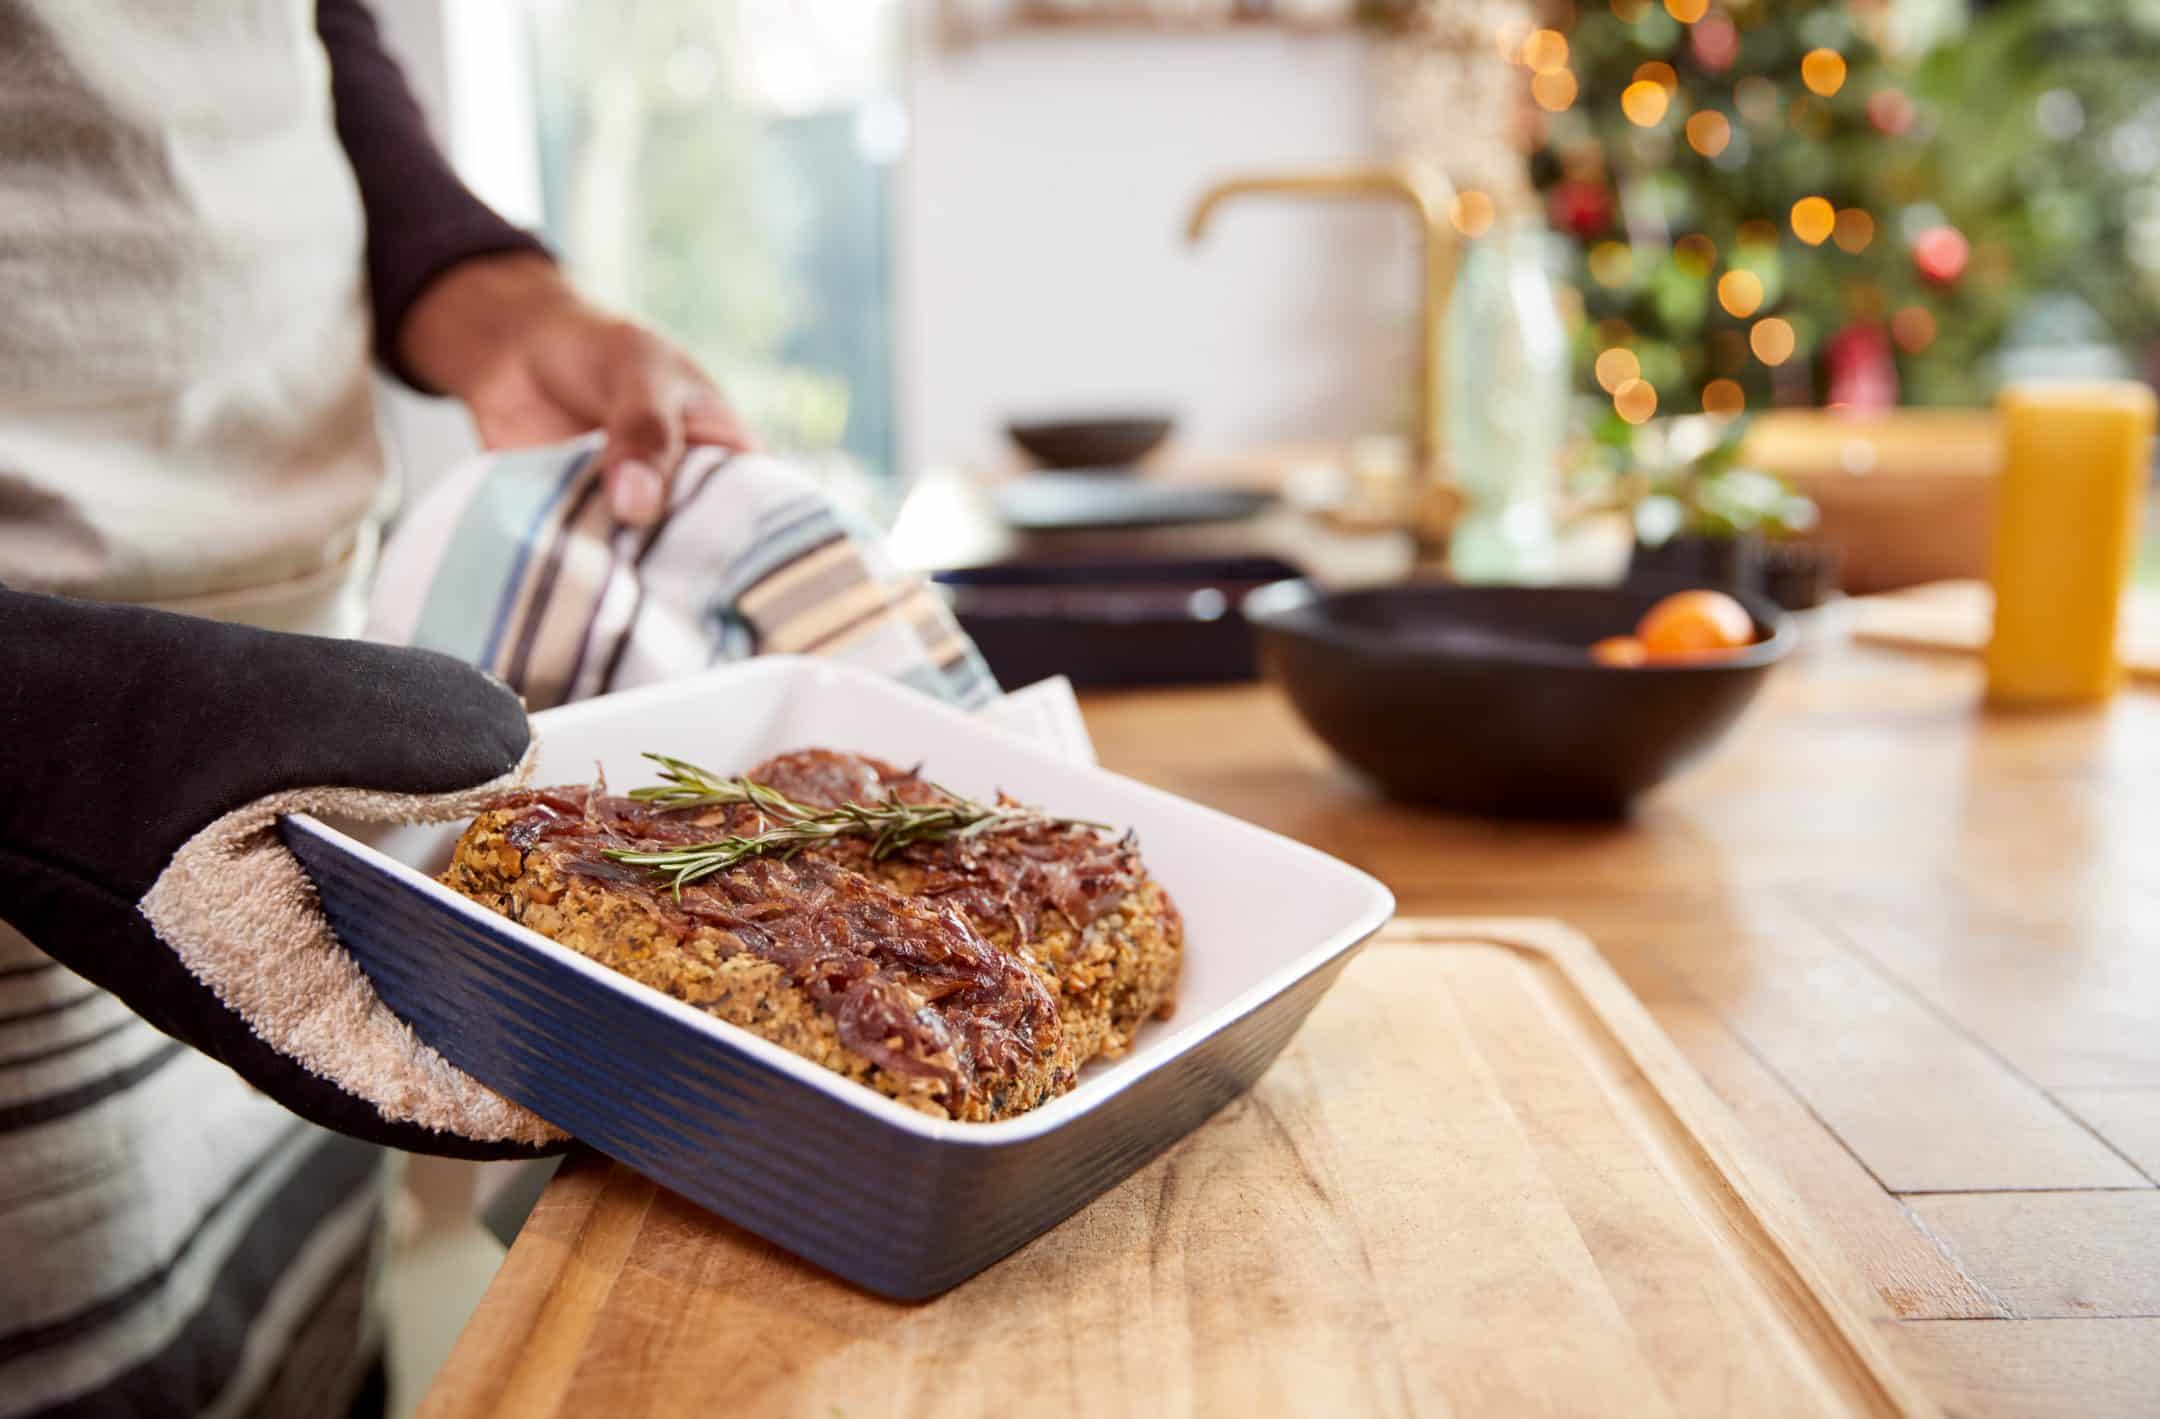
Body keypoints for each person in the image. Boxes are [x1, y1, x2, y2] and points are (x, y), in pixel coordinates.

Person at [0, 2, 745, 1413]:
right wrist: (49, 726)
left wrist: (487, 290)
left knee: (295, 1344)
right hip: (44, 780)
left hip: (293, 725)